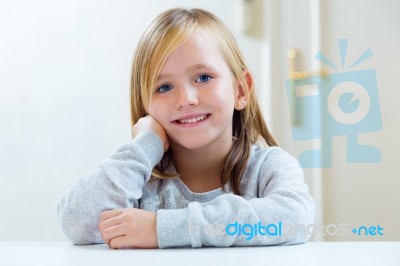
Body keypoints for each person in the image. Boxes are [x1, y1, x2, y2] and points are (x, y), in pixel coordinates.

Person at [57, 8, 315, 249]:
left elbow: (296, 219)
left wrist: (161, 229)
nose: (186, 99)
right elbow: (76, 222)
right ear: (145, 105)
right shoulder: (138, 177)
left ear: (240, 89)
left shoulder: (268, 167)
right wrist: (144, 147)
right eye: (164, 87)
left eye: (203, 78)